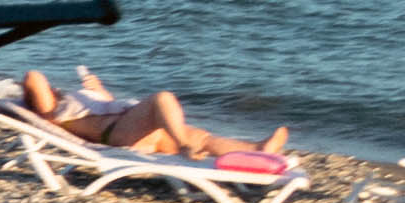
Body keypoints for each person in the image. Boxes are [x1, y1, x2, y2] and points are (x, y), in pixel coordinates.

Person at [19, 70, 291, 163]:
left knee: (204, 139)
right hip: (117, 133)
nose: (54, 87)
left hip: (135, 127)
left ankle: (259, 150)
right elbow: (33, 77)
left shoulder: (75, 103)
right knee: (163, 98)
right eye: (49, 89)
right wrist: (38, 95)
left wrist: (101, 92)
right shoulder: (54, 113)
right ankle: (182, 145)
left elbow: (110, 108)